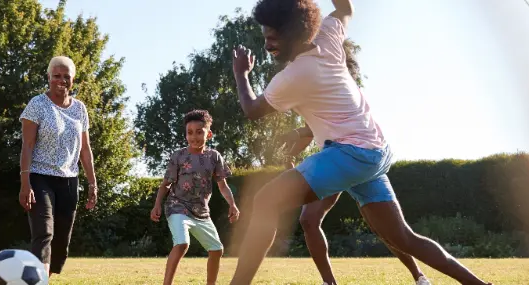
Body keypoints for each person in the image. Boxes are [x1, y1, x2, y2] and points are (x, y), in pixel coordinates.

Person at [227, 0, 494, 284]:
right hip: (375, 151)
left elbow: (253, 110)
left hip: (350, 152)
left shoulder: (294, 76)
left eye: (272, 38)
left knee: (265, 201)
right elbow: (345, 9)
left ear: (293, 33)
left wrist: (241, 74)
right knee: (402, 237)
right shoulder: (327, 34)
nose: (267, 45)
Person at [277, 41, 430, 285]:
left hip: (358, 158)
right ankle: (330, 282)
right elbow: (315, 130)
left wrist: (297, 136)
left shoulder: (344, 89)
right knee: (308, 220)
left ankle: (419, 276)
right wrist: (291, 151)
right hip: (333, 160)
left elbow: (319, 127)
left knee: (386, 230)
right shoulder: (312, 84)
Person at [19, 56, 98, 277]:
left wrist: (92, 183)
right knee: (44, 233)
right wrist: (25, 183)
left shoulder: (80, 109)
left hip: (69, 179)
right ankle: (38, 281)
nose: (61, 80)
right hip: (39, 176)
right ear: (48, 77)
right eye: (56, 76)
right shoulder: (37, 104)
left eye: (66, 76)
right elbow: (27, 145)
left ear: (73, 80)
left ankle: (45, 278)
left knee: (61, 241)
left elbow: (85, 150)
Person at [150, 110, 241, 285]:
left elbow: (223, 185)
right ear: (185, 134)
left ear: (209, 133)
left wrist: (233, 204)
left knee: (216, 250)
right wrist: (157, 205)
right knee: (182, 243)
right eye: (189, 132)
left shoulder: (214, 157)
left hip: (201, 212)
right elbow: (166, 184)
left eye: (199, 132)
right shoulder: (178, 156)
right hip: (177, 206)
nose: (194, 137)